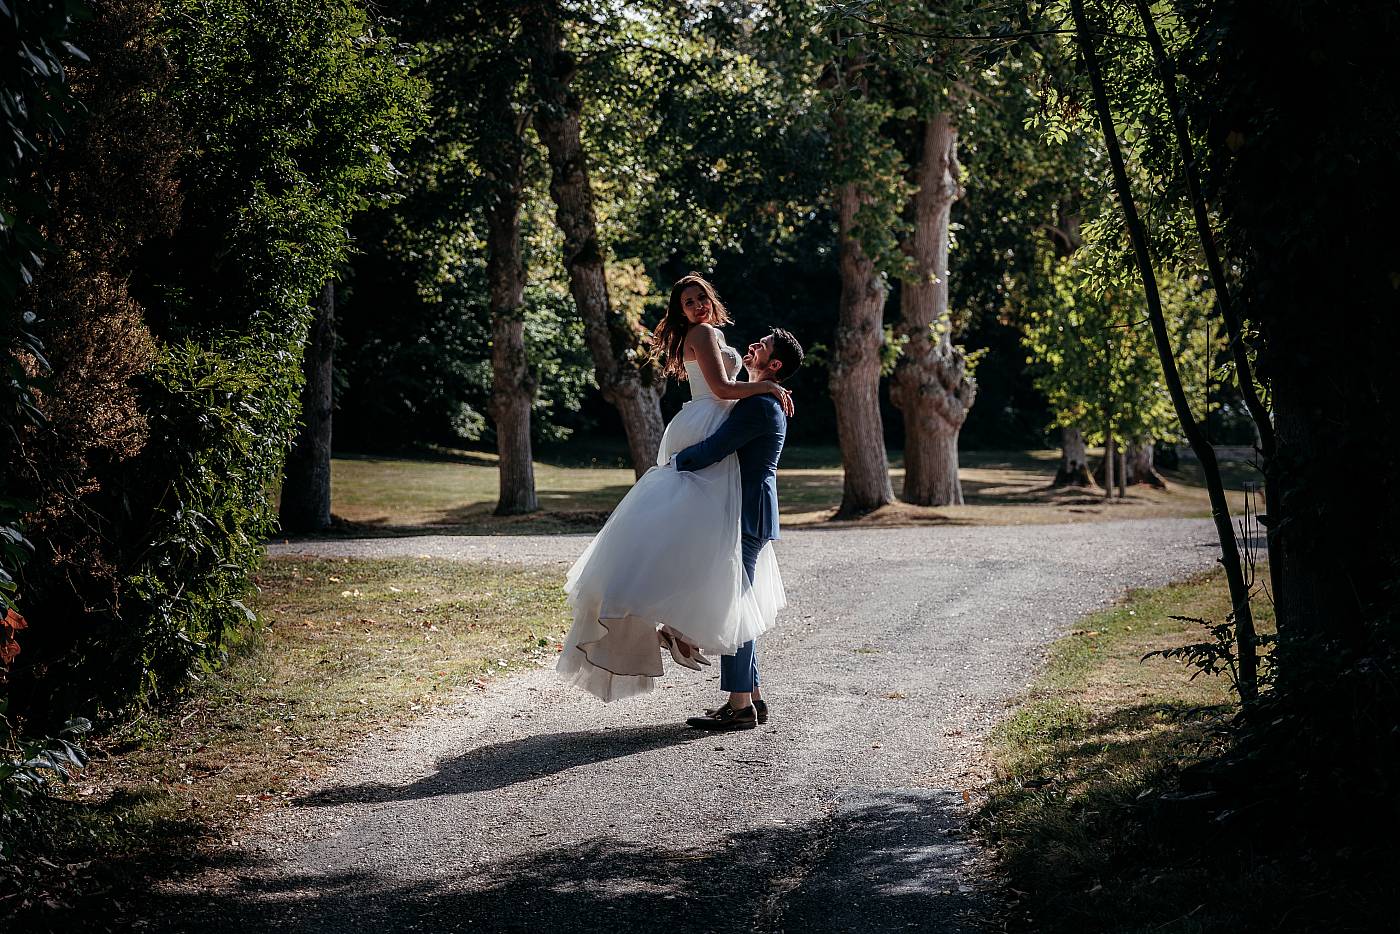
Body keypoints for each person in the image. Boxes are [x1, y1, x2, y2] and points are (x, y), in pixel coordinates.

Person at [557, 273, 801, 711]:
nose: (697, 306)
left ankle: (735, 696)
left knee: (733, 600)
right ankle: (736, 685)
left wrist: (679, 464)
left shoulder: (760, 404)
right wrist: (764, 384)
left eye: (700, 297)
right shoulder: (752, 390)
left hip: (746, 508)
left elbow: (715, 446)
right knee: (725, 589)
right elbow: (721, 395)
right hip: (735, 494)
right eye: (688, 302)